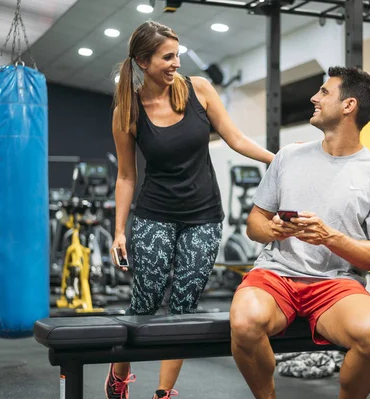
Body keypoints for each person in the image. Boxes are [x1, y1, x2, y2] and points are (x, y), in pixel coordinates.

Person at [105, 21, 275, 399]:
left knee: (183, 305)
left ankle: (164, 392)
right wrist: (119, 230)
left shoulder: (198, 90)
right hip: (153, 213)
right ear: (142, 62)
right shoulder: (127, 110)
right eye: (167, 57)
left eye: (177, 55)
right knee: (145, 300)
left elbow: (236, 138)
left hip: (203, 215)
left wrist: (276, 160)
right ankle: (119, 374)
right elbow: (126, 177)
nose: (176, 63)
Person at [229, 66, 370, 399]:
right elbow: (255, 224)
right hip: (275, 276)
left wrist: (330, 238)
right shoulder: (289, 157)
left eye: (324, 92)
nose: (314, 97)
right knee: (244, 322)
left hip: (335, 284)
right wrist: (274, 229)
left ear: (348, 105)